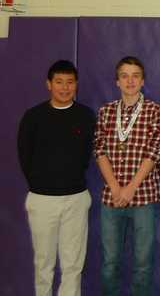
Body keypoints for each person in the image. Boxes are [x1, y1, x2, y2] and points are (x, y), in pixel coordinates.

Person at [17, 60, 95, 296]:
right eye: (59, 82)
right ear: (48, 84)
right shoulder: (33, 117)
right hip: (42, 200)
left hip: (76, 199)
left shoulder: (85, 115)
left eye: (70, 82)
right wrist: (43, 184)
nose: (65, 87)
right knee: (44, 263)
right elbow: (24, 156)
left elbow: (87, 155)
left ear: (76, 85)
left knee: (73, 265)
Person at [94, 56, 160, 296]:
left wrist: (130, 188)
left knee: (143, 265)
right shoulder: (105, 112)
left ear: (143, 80)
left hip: (143, 197)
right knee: (109, 264)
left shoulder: (155, 111)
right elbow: (99, 149)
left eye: (135, 75)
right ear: (117, 82)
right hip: (111, 198)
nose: (130, 80)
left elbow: (154, 152)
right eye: (124, 76)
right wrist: (116, 187)